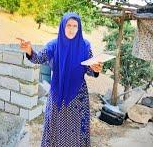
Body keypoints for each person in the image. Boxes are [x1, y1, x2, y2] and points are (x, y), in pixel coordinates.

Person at [18, 12, 103, 147]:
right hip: (57, 95)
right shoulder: (54, 44)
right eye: (68, 25)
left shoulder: (85, 46)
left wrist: (95, 69)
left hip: (78, 98)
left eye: (75, 26)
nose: (71, 29)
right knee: (54, 129)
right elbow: (38, 58)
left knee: (76, 134)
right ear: (63, 26)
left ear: (79, 28)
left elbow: (89, 70)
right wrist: (29, 50)